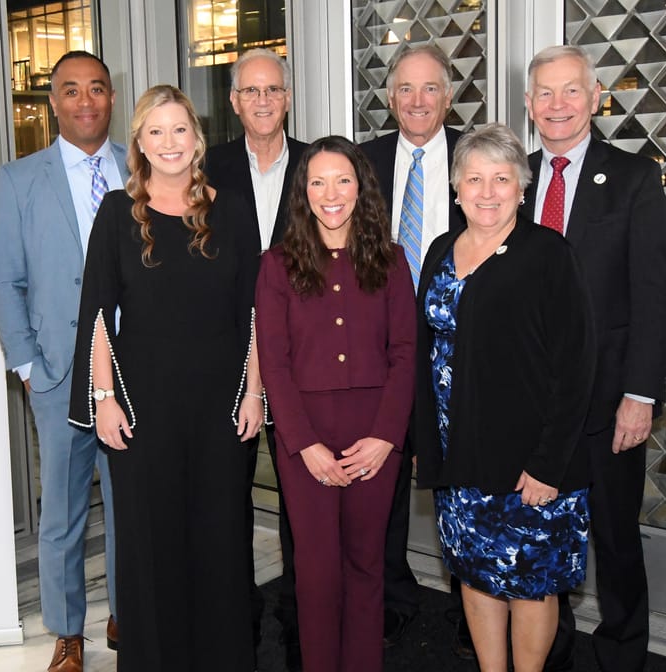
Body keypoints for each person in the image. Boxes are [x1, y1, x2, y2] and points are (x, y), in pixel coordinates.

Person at [68, 84, 263, 672]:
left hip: (223, 404)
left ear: (197, 139)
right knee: (151, 546)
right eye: (156, 131)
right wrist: (103, 398)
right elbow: (98, 314)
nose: (169, 142)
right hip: (142, 405)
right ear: (140, 143)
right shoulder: (115, 214)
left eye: (180, 129)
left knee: (221, 539)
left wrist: (255, 391)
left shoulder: (230, 208)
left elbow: (253, 312)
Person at [411, 122, 596, 672]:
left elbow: (577, 364)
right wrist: (427, 444)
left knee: (529, 583)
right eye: (474, 178)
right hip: (459, 452)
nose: (487, 191)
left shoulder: (547, 253)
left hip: (530, 463)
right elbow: (426, 352)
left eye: (501, 179)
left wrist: (549, 462)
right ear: (456, 187)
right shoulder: (442, 250)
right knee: (473, 572)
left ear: (522, 187)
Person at [521, 45, 666, 672]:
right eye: (545, 94)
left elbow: (653, 296)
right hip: (534, 403)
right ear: (528, 106)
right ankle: (548, 647)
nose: (558, 105)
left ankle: (621, 654)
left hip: (612, 402)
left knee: (613, 539)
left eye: (570, 91)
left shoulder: (634, 178)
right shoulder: (513, 178)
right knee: (541, 536)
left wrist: (640, 394)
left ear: (595, 98)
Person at [255, 135, 416, 672]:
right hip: (307, 440)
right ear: (302, 191)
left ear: (361, 188)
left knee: (367, 566)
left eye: (342, 180)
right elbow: (273, 363)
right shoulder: (277, 265)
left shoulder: (392, 262)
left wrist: (387, 438)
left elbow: (405, 352)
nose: (331, 193)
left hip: (376, 435)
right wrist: (303, 447)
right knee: (318, 572)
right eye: (318, 181)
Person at [0, 50, 124, 672]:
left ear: (112, 97)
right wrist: (27, 367)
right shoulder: (18, 180)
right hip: (59, 374)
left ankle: (128, 612)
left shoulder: (142, 168)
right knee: (63, 513)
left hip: (136, 373)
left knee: (133, 506)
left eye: (96, 88)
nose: (86, 100)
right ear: (52, 103)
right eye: (71, 90)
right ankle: (67, 632)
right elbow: (4, 282)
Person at [358, 44, 469, 655]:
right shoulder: (364, 161)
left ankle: (469, 609)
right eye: (406, 88)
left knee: (461, 480)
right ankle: (392, 599)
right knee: (386, 480)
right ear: (391, 97)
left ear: (448, 98)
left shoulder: (477, 159)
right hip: (382, 347)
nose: (419, 101)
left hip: (460, 349)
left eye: (431, 89)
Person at [203, 46, 307, 665]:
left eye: (273, 90)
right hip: (229, 361)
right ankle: (234, 612)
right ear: (235, 101)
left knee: (300, 496)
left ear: (287, 97)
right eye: (251, 91)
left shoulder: (322, 164)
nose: (263, 101)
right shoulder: (208, 170)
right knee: (229, 493)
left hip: (303, 359)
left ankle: (300, 611)